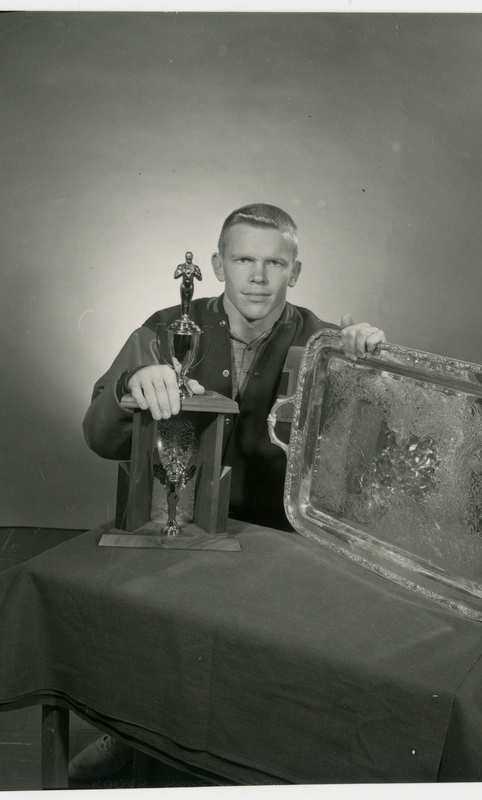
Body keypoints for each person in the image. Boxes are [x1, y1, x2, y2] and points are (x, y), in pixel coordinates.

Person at [69, 203, 386, 781]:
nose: (258, 277)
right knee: (146, 639)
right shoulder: (167, 327)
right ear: (218, 264)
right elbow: (99, 436)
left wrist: (364, 369)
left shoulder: (326, 343)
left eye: (274, 263)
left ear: (297, 270)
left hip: (278, 540)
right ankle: (129, 736)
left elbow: (362, 465)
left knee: (270, 675)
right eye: (243, 259)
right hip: (182, 528)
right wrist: (129, 385)